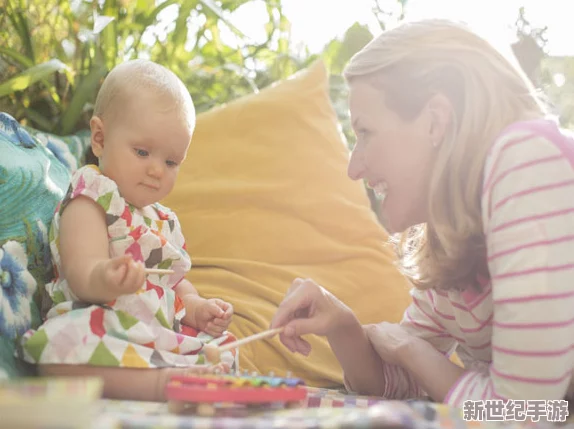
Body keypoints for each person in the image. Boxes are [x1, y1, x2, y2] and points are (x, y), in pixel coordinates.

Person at [270, 19, 574, 408]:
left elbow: (522, 414)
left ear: (435, 120)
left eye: (365, 133)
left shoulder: (527, 161)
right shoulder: (450, 240)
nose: (354, 168)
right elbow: (400, 384)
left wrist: (411, 350)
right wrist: (343, 326)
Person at [18, 59, 236, 401]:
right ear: (100, 138)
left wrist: (197, 307)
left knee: (224, 349)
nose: (156, 171)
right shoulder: (93, 196)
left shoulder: (164, 220)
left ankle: (188, 374)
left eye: (170, 162)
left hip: (158, 336)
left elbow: (175, 282)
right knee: (58, 346)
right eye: (142, 152)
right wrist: (107, 276)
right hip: (104, 325)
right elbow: (81, 271)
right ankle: (161, 385)